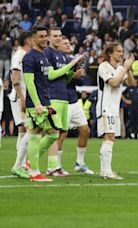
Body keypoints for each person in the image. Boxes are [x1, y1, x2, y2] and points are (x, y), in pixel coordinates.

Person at [23, 26, 83, 182]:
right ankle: (34, 170)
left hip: (47, 100)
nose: (44, 39)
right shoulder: (31, 57)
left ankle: (30, 165)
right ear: (33, 39)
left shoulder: (43, 55)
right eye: (41, 36)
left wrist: (71, 72)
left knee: (53, 134)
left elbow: (47, 79)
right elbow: (30, 82)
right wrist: (36, 104)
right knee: (37, 134)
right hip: (38, 103)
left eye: (45, 36)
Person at [44, 27, 85, 176]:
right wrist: (70, 65)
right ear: (48, 38)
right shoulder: (47, 53)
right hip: (51, 98)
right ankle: (46, 165)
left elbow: (64, 78)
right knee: (53, 133)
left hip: (63, 98)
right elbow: (50, 75)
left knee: (57, 134)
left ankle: (54, 166)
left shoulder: (61, 55)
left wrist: (73, 74)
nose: (58, 38)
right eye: (54, 36)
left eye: (60, 36)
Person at [97, 42, 135, 179]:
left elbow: (131, 83)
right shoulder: (103, 66)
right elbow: (113, 83)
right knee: (109, 137)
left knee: (110, 138)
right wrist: (125, 68)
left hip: (114, 107)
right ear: (110, 53)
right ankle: (107, 171)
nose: (121, 53)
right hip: (105, 106)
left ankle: (104, 170)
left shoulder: (120, 68)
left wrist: (128, 69)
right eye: (118, 51)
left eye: (121, 51)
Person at [59, 36, 94, 175]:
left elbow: (79, 83)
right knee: (62, 134)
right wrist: (73, 75)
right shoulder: (57, 60)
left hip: (74, 100)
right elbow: (57, 80)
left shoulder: (71, 60)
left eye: (69, 43)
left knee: (85, 131)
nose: (68, 44)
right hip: (62, 101)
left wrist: (79, 75)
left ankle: (80, 163)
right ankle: (56, 165)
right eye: (65, 43)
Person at [10, 31, 31, 179]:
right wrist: (21, 97)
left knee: (23, 130)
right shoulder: (19, 55)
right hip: (20, 97)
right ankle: (19, 165)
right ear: (28, 40)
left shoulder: (27, 55)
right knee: (32, 128)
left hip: (24, 96)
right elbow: (15, 79)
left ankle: (21, 164)